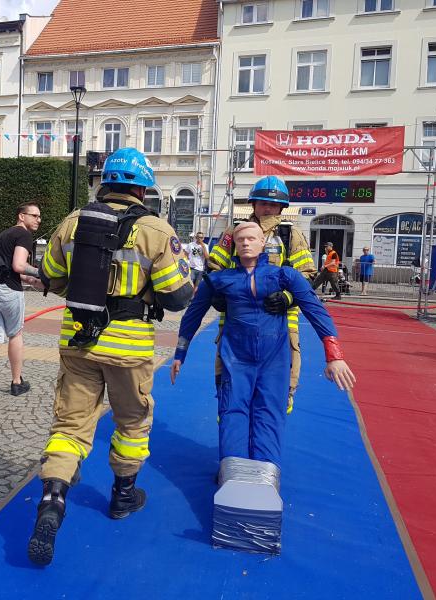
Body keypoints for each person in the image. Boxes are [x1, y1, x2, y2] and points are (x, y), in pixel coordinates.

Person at [27, 147, 194, 566]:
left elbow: (50, 277)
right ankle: (123, 496)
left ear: (104, 182)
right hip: (129, 347)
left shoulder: (72, 222)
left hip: (78, 341)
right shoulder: (157, 230)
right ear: (143, 188)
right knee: (132, 422)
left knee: (70, 426)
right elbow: (178, 297)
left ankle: (52, 501)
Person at [171, 221, 355, 469]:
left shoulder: (284, 276)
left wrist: (334, 354)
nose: (246, 243)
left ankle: (266, 471)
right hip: (235, 359)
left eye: (251, 239)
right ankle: (233, 469)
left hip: (274, 360)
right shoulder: (218, 280)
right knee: (232, 411)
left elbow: (315, 309)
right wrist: (180, 352)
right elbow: (193, 314)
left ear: (262, 243)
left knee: (269, 413)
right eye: (240, 239)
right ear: (234, 245)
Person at [207, 175, 315, 415]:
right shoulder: (235, 231)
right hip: (237, 318)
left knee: (281, 374)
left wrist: (287, 298)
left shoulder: (290, 235)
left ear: (282, 208)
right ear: (253, 204)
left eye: (273, 205)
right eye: (263, 203)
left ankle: (280, 402)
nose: (268, 209)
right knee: (229, 371)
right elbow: (214, 267)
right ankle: (228, 408)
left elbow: (307, 277)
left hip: (281, 319)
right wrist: (218, 294)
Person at [0, 202, 42, 409]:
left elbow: (7, 267)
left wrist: (29, 280)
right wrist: (41, 273)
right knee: (15, 334)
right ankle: (16, 382)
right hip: (7, 291)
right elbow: (18, 265)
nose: (38, 220)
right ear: (21, 216)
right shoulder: (24, 235)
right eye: (34, 215)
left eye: (39, 216)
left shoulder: (3, 235)